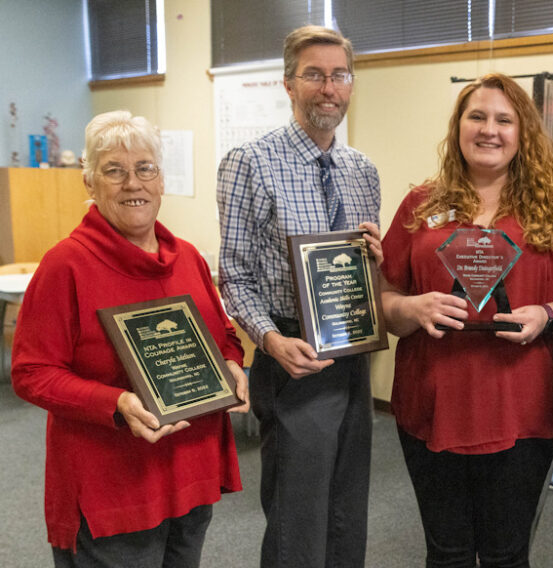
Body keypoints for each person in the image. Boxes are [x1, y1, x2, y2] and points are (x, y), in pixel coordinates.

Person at [379, 72, 553, 568]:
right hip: (431, 400)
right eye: (476, 116)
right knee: (447, 550)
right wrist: (412, 308)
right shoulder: (421, 206)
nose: (489, 129)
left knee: (506, 554)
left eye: (504, 120)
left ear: (523, 132)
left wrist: (547, 315)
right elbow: (384, 299)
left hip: (523, 407)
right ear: (458, 126)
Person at [11, 110, 249, 567]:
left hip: (190, 468)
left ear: (161, 181)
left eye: (145, 169)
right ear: (90, 183)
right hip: (113, 485)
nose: (132, 184)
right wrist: (115, 403)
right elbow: (31, 373)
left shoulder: (188, 259)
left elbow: (222, 336)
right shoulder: (66, 266)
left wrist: (232, 363)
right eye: (114, 171)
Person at [216, 25, 382, 568]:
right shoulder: (250, 162)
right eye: (314, 75)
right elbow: (234, 277)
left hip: (352, 353)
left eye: (339, 76)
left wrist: (376, 260)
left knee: (347, 507)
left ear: (351, 85)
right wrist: (268, 341)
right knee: (298, 518)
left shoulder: (362, 171)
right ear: (288, 83)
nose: (328, 88)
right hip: (291, 357)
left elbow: (360, 272)